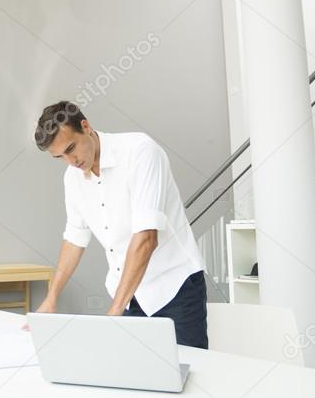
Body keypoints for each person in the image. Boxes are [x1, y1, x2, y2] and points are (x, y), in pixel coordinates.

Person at [32, 100, 208, 349]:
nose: (71, 161)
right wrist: (51, 299)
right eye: (60, 156)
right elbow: (74, 239)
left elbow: (147, 238)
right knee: (131, 380)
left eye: (71, 148)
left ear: (86, 126)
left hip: (174, 289)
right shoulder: (72, 178)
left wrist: (114, 312)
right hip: (127, 296)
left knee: (189, 374)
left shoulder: (140, 152)